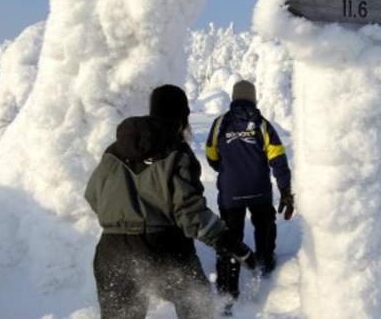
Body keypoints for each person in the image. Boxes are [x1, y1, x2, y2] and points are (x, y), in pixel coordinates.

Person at [85, 84, 255, 319]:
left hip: (111, 251)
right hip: (163, 247)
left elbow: (93, 195)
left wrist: (125, 216)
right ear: (180, 121)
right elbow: (191, 214)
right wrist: (229, 242)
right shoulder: (177, 153)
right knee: (198, 306)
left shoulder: (113, 151)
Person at [205, 80, 294, 307]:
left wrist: (227, 170)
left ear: (233, 98)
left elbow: (211, 155)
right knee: (264, 225)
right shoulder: (262, 124)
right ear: (253, 98)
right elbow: (278, 158)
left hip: (230, 193)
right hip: (259, 190)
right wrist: (285, 189)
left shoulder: (220, 123)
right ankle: (265, 265)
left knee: (229, 236)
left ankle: (227, 290)